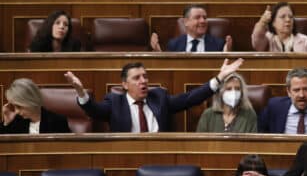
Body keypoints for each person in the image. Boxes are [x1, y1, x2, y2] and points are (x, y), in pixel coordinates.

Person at [64, 58, 244, 132]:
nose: (143, 81)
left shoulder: (159, 97)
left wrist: (219, 78)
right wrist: (81, 92)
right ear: (124, 85)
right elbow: (94, 110)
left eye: (145, 76)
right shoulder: (114, 101)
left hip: (161, 159)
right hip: (126, 160)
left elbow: (190, 99)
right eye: (137, 78)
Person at [258, 68, 307, 134]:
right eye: (296, 90)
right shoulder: (274, 107)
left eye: (306, 89)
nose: (301, 95)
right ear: (288, 91)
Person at [150, 4, 231, 52]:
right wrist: (158, 52)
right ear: (186, 22)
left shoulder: (219, 44)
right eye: (197, 17)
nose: (203, 21)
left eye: (205, 18)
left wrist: (226, 55)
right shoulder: (174, 44)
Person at [1, 78, 70, 134]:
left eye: (19, 107)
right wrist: (7, 123)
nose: (16, 111)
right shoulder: (16, 121)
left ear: (31, 101)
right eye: (14, 107)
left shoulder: (57, 121)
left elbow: (66, 148)